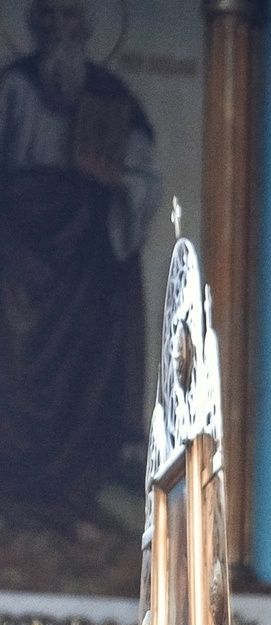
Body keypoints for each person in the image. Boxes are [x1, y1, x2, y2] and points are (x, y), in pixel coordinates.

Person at [0, 0, 159, 525]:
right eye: (50, 15)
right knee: (13, 367)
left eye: (71, 16)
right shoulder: (12, 89)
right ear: (36, 24)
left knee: (85, 374)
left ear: (87, 27)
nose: (60, 28)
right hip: (17, 264)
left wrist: (114, 182)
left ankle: (74, 497)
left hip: (85, 266)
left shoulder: (112, 97)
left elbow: (144, 181)